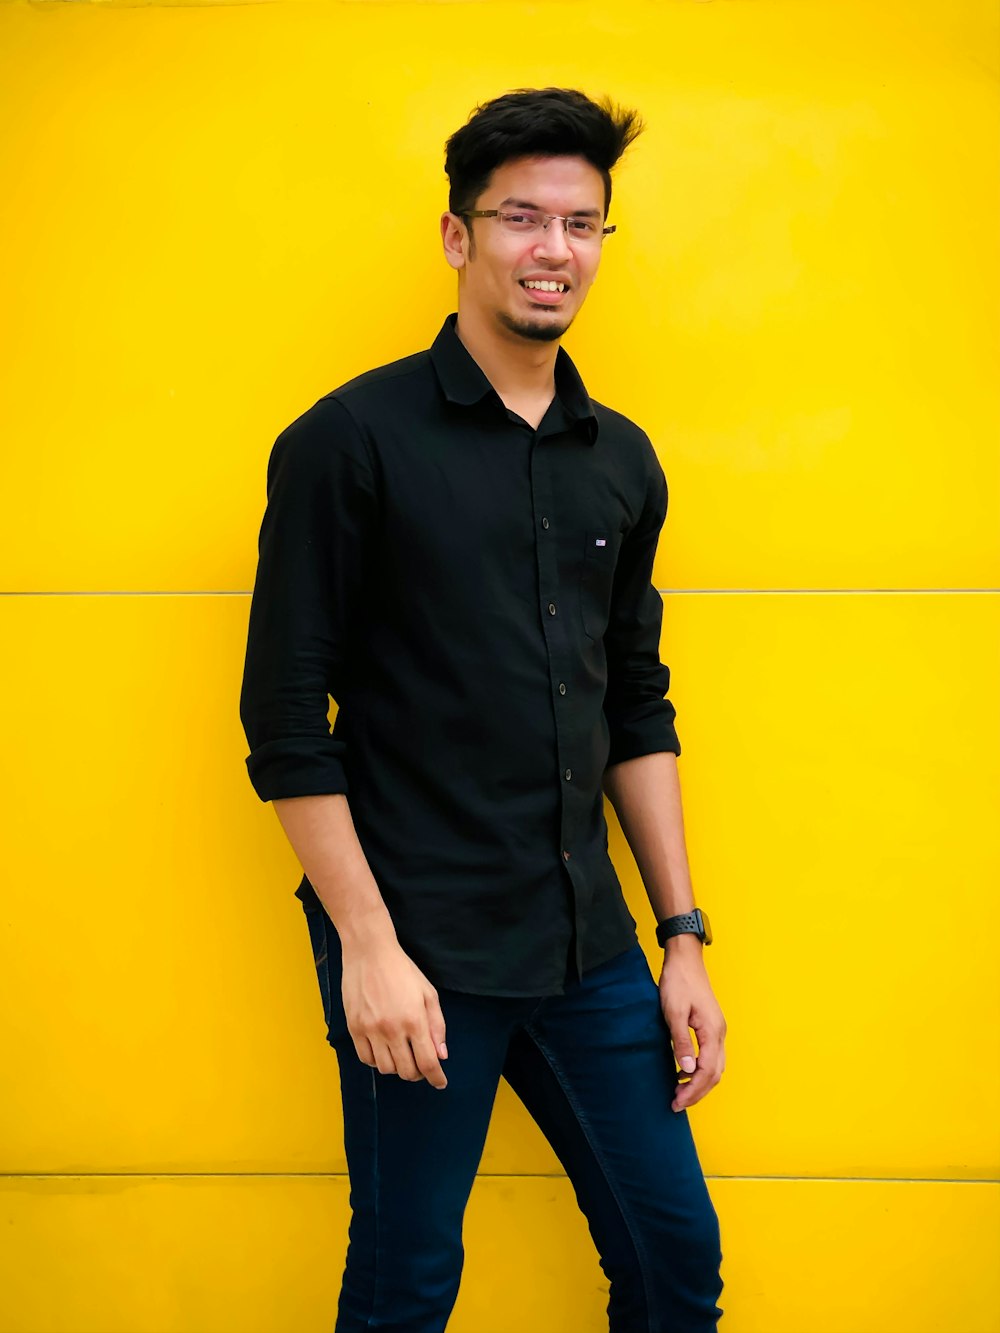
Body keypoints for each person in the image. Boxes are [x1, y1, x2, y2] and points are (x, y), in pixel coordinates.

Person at [239, 86, 727, 1333]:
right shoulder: (346, 443)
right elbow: (287, 717)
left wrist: (680, 935)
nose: (553, 249)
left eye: (581, 223)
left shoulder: (620, 458)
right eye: (521, 218)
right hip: (421, 948)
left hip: (590, 948)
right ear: (458, 237)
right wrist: (368, 948)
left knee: (675, 1260)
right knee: (408, 1275)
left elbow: (636, 700)